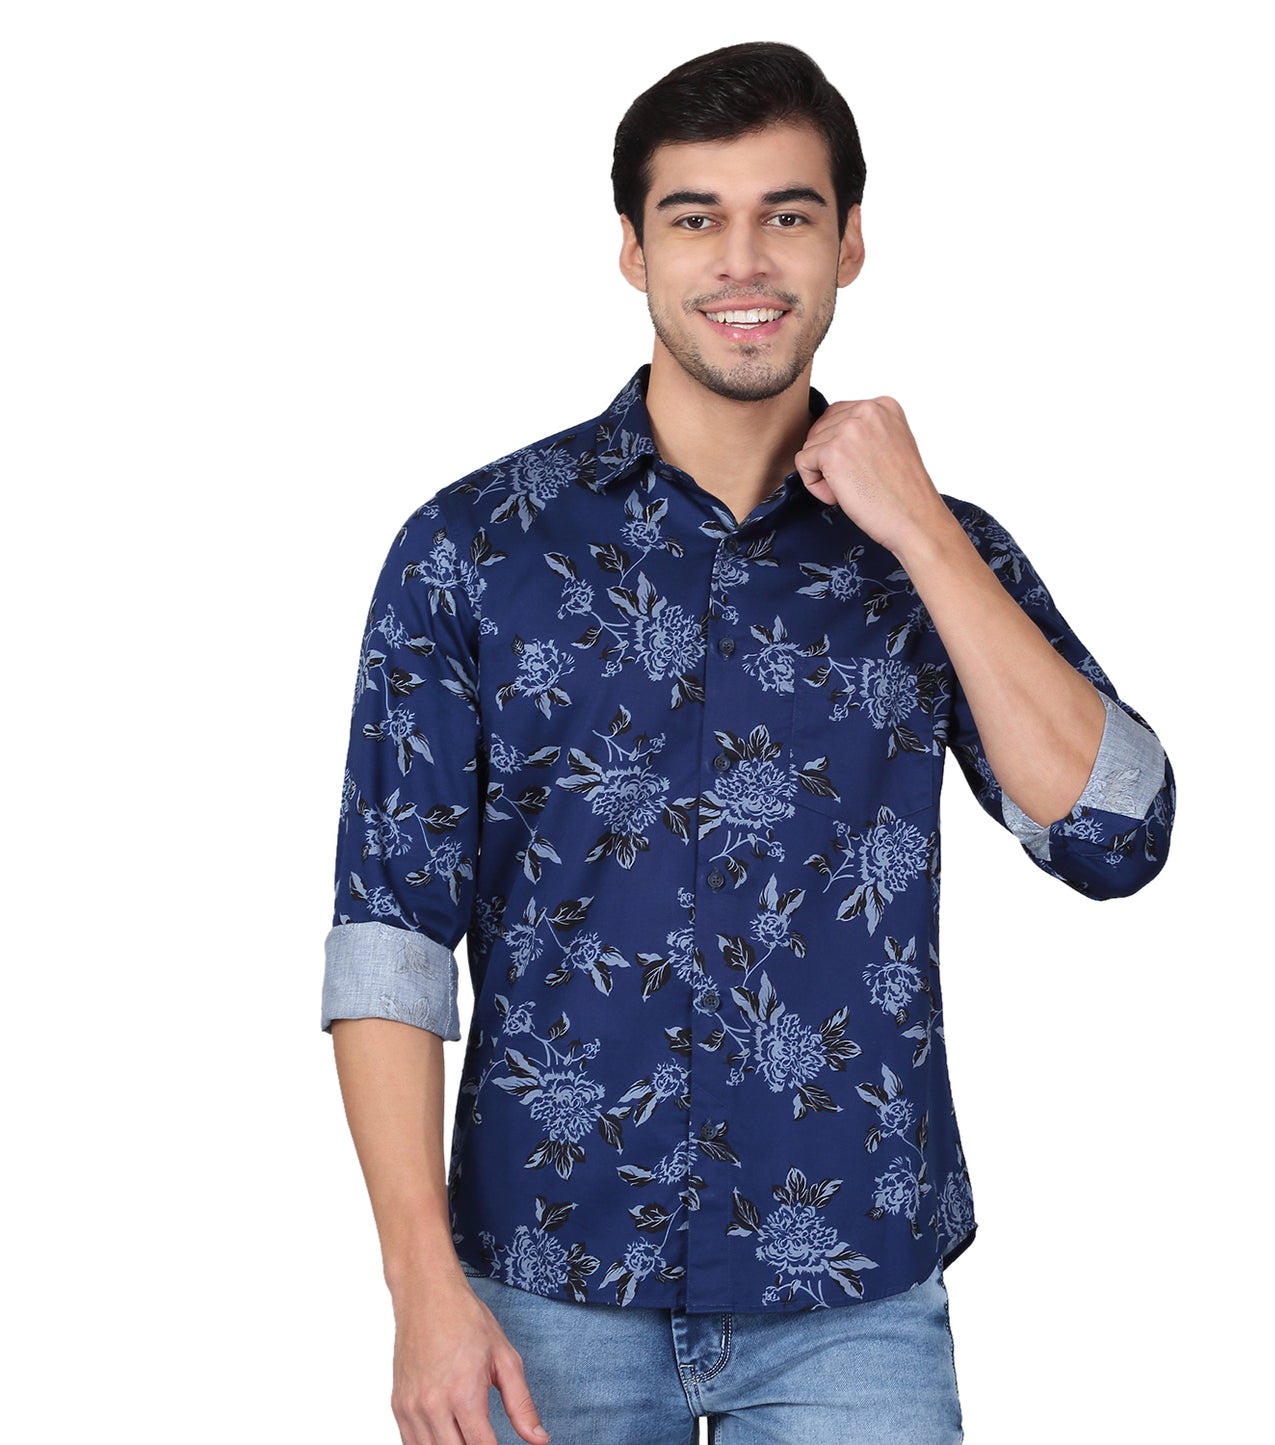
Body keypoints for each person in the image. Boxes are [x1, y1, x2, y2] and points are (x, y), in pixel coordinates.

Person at [322, 40, 1175, 1445]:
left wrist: (921, 530)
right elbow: (388, 938)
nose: (742, 260)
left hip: (854, 1292)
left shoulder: (935, 548)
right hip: (542, 1281)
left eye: (786, 214)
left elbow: (1114, 834)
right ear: (630, 249)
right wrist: (419, 1284)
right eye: (694, 217)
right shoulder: (475, 549)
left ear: (849, 244)